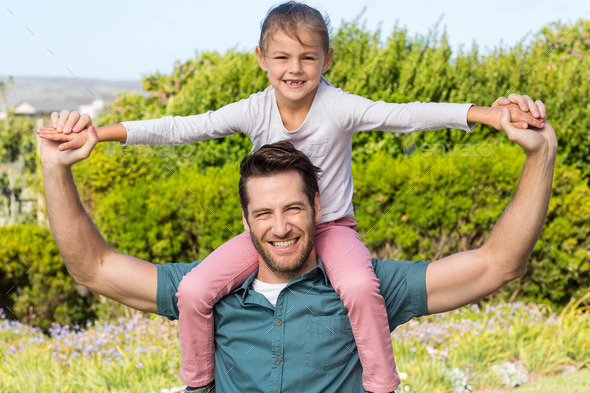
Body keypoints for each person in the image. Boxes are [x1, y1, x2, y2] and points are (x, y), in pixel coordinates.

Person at [38, 3, 545, 392]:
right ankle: (197, 383)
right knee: (194, 291)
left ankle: (382, 385)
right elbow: (181, 127)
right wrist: (97, 136)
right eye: (281, 57)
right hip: (263, 239)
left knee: (357, 287)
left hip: (334, 229)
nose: (295, 68)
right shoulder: (253, 110)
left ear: (327, 59)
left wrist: (487, 115)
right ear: (261, 59)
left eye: (308, 57)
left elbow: (407, 114)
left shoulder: (340, 106)